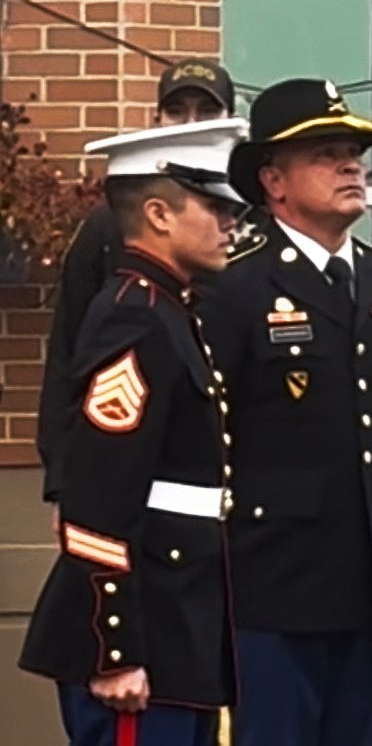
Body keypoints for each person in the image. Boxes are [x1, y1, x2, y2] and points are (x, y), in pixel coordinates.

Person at [198, 79, 372, 746]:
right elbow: (203, 434)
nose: (351, 166)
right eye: (326, 153)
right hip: (274, 582)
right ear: (274, 181)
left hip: (368, 580)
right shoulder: (234, 283)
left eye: (354, 153)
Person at [19, 116, 250, 746]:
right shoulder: (135, 318)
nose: (231, 223)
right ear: (158, 214)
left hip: (179, 620)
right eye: (215, 207)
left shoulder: (170, 310)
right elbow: (97, 497)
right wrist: (114, 649)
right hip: (141, 634)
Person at [37, 57, 237, 505]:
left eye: (206, 111)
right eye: (177, 111)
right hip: (141, 471)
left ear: (229, 119)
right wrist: (62, 481)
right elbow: (68, 350)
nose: (191, 123)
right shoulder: (109, 226)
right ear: (156, 118)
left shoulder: (254, 221)